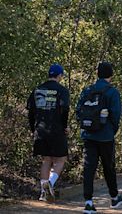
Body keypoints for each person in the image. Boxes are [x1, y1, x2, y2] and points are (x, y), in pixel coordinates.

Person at [76, 62, 122, 213]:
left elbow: (78, 111)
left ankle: (88, 202)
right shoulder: (112, 92)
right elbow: (116, 115)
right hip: (105, 136)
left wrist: (86, 125)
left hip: (89, 135)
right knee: (108, 167)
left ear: (98, 73)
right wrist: (111, 130)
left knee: (89, 167)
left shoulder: (87, 90)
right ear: (111, 74)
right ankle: (114, 197)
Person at [27, 64, 70, 202]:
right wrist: (64, 126)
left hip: (41, 129)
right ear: (60, 76)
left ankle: (43, 193)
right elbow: (65, 109)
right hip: (56, 129)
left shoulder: (38, 89)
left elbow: (31, 112)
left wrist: (33, 129)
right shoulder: (62, 90)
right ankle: (50, 182)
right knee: (61, 158)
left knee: (46, 159)